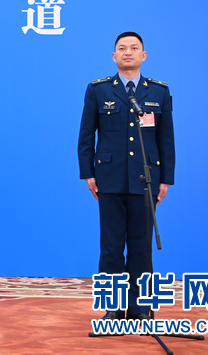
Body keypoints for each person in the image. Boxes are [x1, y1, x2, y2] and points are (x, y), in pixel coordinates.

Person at [78, 32, 175, 321]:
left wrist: (165, 179)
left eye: (134, 48)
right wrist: (88, 173)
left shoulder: (158, 91)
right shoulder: (98, 90)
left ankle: (140, 309)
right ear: (114, 56)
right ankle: (113, 308)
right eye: (122, 48)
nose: (128, 52)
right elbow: (86, 135)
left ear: (144, 55)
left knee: (141, 248)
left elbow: (166, 139)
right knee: (110, 248)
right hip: (108, 178)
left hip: (146, 179)